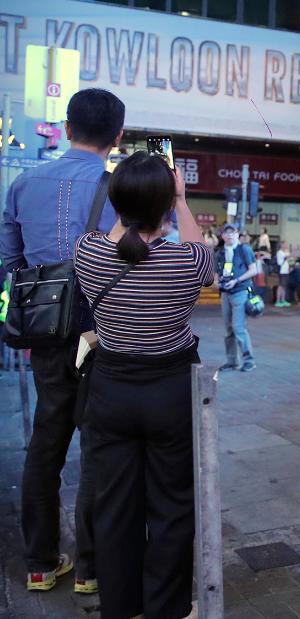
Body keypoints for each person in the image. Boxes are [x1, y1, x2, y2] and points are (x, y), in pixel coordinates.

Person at [0, 87, 126, 594]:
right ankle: (92, 571)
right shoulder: (122, 189)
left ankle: (40, 563)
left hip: (46, 335)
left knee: (44, 444)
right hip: (104, 334)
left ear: (68, 128)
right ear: (117, 137)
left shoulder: (22, 184)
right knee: (99, 446)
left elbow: (9, 266)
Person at [75, 151, 210, 619]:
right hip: (170, 394)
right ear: (165, 206)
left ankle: (121, 606)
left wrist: (130, 210)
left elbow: (116, 237)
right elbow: (202, 252)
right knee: (171, 505)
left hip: (110, 391)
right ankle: (167, 607)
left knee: (113, 505)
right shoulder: (185, 262)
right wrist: (181, 201)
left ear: (116, 202)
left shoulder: (87, 253)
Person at [215, 223, 258, 372]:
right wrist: (219, 282)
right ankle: (232, 361)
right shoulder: (219, 253)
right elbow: (216, 276)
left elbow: (254, 270)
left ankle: (249, 360)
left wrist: (237, 280)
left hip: (240, 291)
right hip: (225, 293)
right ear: (222, 236)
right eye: (226, 233)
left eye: (232, 232)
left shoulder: (244, 249)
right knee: (228, 329)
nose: (229, 235)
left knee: (238, 327)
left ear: (237, 234)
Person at [275, 240, 291, 307]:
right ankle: (278, 301)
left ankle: (283, 300)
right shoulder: (280, 252)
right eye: (285, 244)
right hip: (281, 271)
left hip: (285, 271)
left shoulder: (284, 252)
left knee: (284, 286)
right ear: (281, 245)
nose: (286, 245)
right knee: (281, 286)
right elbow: (285, 258)